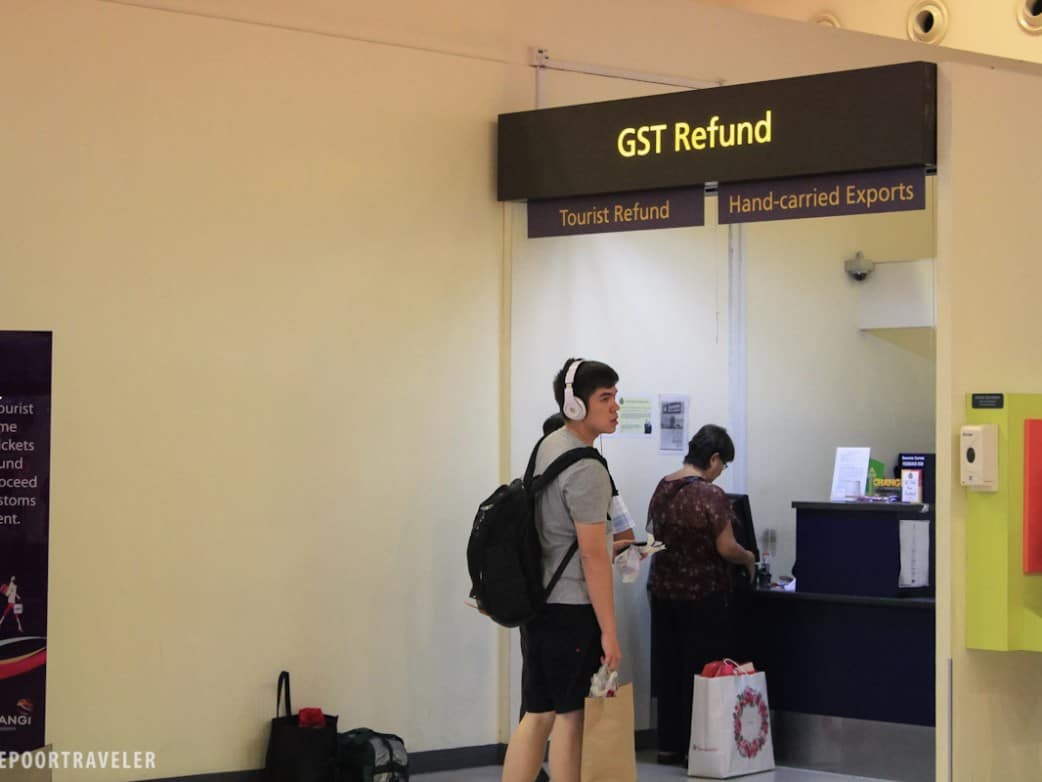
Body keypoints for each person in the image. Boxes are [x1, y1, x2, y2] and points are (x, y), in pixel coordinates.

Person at [502, 358, 622, 782]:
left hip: (540, 603)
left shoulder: (548, 446)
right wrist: (609, 631)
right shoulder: (588, 468)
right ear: (576, 405)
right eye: (605, 398)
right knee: (571, 718)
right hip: (572, 609)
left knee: (538, 715)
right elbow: (593, 556)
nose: (615, 407)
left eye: (615, 396)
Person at [645, 424, 756, 766]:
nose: (722, 471)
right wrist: (748, 558)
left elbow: (653, 535)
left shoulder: (663, 487)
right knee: (701, 671)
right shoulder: (711, 495)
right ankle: (698, 747)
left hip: (663, 592)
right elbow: (726, 547)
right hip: (703, 596)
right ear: (714, 458)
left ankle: (668, 746)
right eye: (724, 464)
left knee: (669, 668)